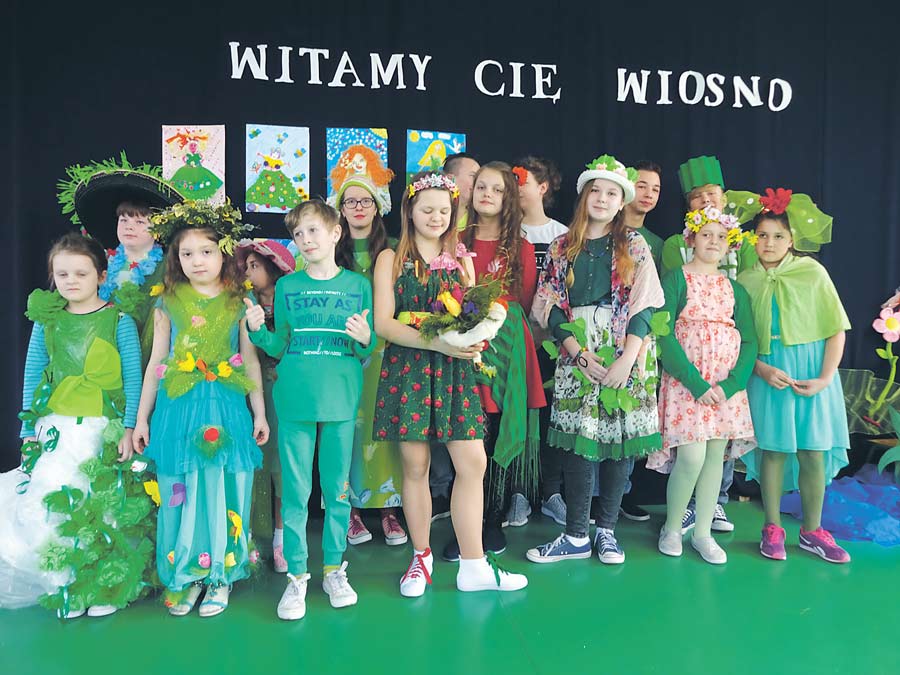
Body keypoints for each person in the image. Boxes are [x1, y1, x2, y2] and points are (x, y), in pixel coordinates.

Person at [373, 170, 528, 596]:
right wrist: (438, 342)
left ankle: (474, 564)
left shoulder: (461, 258)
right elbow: (384, 323)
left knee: (473, 462)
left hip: (455, 372)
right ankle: (420, 558)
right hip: (409, 370)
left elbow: (473, 313)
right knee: (416, 466)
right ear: (409, 211)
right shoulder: (390, 259)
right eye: (427, 210)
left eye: (444, 210)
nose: (436, 217)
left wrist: (477, 336)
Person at [0, 232, 151, 618]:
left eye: (81, 274)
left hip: (102, 428)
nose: (70, 281)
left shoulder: (118, 321)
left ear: (101, 275)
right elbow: (33, 373)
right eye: (62, 274)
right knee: (56, 506)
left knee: (102, 507)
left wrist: (129, 427)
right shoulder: (47, 323)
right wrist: (27, 429)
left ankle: (103, 587)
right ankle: (67, 586)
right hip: (57, 430)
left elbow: (133, 377)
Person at [527, 154, 664, 565]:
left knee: (619, 442)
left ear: (621, 202)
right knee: (580, 445)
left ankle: (607, 531)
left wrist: (628, 359)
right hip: (579, 348)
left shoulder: (634, 245)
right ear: (584, 196)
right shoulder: (562, 246)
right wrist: (578, 353)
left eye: (611, 193)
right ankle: (576, 534)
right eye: (595, 191)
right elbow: (549, 305)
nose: (602, 199)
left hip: (624, 346)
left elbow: (644, 305)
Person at [134, 200, 268, 618]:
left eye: (206, 251)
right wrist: (141, 419)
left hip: (226, 408)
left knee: (223, 486)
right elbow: (156, 363)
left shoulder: (238, 301)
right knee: (181, 489)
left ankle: (220, 576)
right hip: (179, 409)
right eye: (186, 253)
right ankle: (187, 574)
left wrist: (260, 412)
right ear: (176, 258)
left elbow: (250, 360)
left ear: (224, 254)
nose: (196, 261)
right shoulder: (168, 301)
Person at [247, 200, 375, 620]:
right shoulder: (287, 287)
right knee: (296, 493)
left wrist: (365, 337)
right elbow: (279, 344)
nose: (305, 240)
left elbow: (366, 348)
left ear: (336, 233)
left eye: (313, 230)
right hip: (295, 398)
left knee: (337, 490)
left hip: (340, 398)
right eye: (298, 234)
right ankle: (297, 575)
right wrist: (257, 332)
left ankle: (334, 569)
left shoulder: (358, 285)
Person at [735, 187, 851, 563]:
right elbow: (737, 339)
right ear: (753, 238)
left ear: (792, 240)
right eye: (762, 235)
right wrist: (760, 368)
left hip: (811, 371)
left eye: (778, 236)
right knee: (773, 450)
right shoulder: (745, 280)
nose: (769, 243)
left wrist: (825, 378)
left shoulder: (812, 272)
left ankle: (812, 530)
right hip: (768, 373)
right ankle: (771, 526)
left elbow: (836, 329)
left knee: (813, 451)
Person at [440, 161, 545, 560]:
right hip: (463, 346)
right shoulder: (453, 241)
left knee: (498, 431)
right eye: (481, 186)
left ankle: (493, 522)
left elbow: (526, 300)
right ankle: (466, 527)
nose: (487, 194)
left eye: (497, 189)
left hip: (506, 348)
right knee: (468, 435)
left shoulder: (519, 247)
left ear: (509, 198)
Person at [649, 207, 757, 564]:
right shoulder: (676, 279)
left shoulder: (735, 289)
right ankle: (672, 528)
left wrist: (731, 385)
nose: (713, 242)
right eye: (706, 234)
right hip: (688, 385)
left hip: (724, 389)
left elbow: (750, 341)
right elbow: (663, 333)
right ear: (692, 239)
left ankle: (703, 533)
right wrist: (696, 384)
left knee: (714, 458)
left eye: (721, 237)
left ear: (730, 245)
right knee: (691, 457)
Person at [333, 172, 407, 547]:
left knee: (386, 427)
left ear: (378, 207)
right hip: (341, 354)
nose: (358, 208)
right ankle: (349, 510)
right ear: (341, 209)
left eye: (365, 201)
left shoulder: (394, 250)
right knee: (347, 429)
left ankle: (390, 510)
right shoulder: (329, 250)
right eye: (351, 201)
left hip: (386, 351)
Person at [236, 239, 295, 572]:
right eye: (246, 266)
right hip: (251, 393)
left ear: (274, 269)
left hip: (284, 393)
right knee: (255, 464)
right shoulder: (242, 306)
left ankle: (281, 538)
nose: (247, 272)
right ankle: (247, 537)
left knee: (282, 467)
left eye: (255, 266)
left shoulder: (292, 302)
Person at [514, 156, 568, 527]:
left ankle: (551, 493)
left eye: (523, 181)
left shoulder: (561, 235)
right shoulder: (506, 232)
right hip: (513, 342)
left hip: (552, 344)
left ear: (543, 187)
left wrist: (547, 331)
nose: (515, 188)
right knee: (516, 417)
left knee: (552, 418)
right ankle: (516, 492)